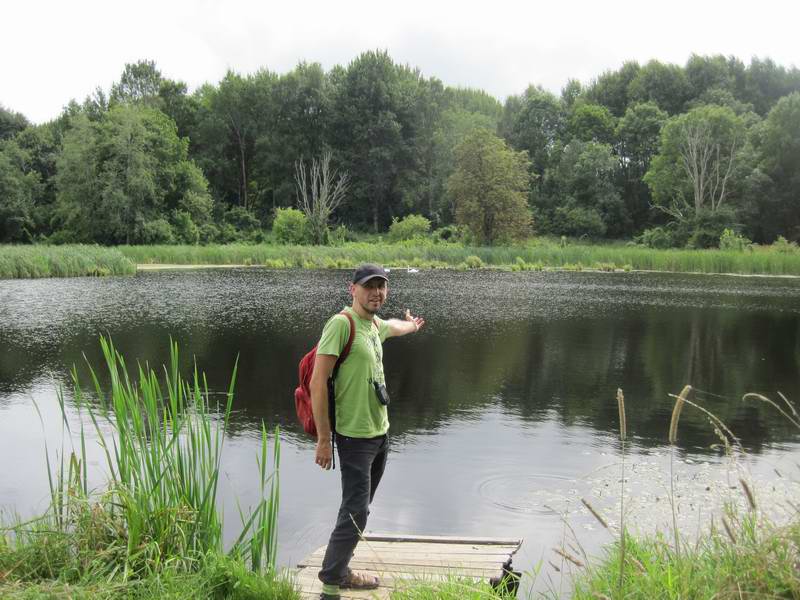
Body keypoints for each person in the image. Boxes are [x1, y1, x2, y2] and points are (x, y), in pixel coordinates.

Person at [311, 263, 424, 600]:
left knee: (359, 505)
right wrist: (322, 439)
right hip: (353, 437)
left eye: (381, 286)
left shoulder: (373, 324)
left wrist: (412, 325)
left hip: (380, 434)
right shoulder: (341, 324)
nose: (376, 292)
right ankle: (333, 579)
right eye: (369, 286)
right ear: (353, 289)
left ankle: (339, 566)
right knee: (356, 508)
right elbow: (318, 383)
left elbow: (393, 326)